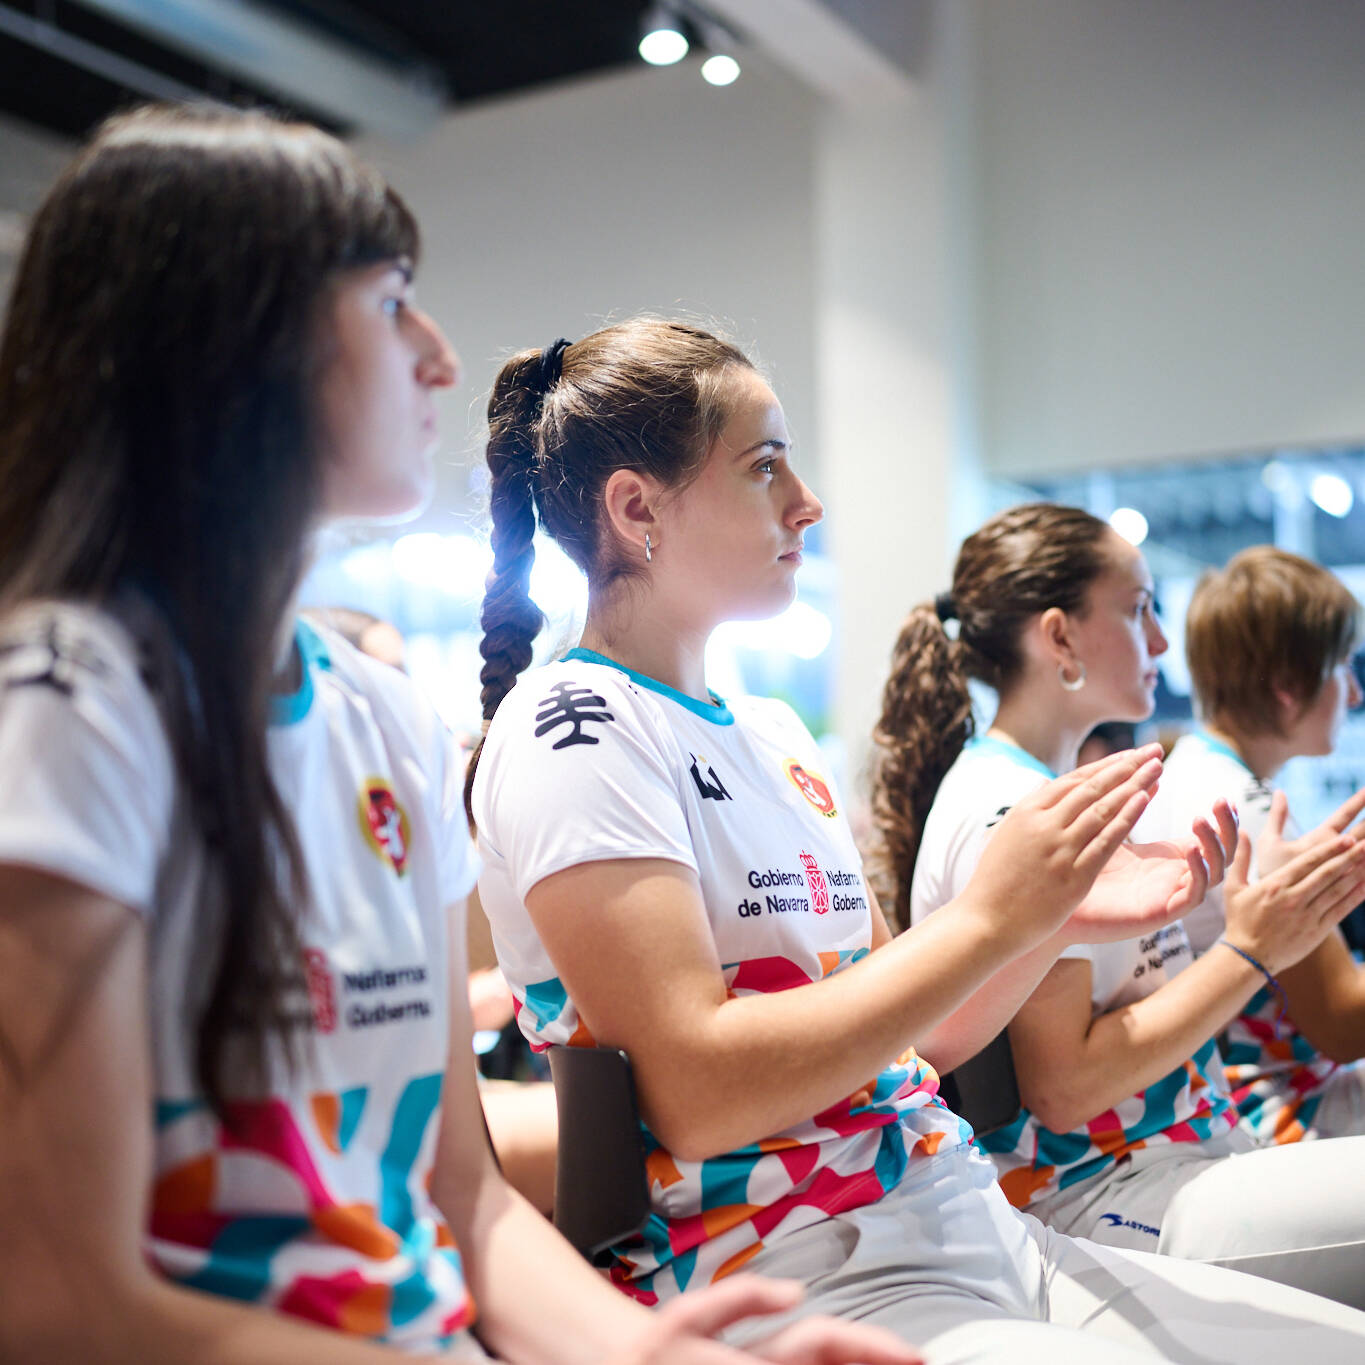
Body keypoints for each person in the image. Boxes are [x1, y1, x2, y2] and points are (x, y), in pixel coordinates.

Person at [0, 105, 922, 1365]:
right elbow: (58, 1296)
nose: (440, 357)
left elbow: (461, 1202)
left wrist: (654, 1355)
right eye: (391, 305)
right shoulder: (70, 703)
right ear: (229, 344)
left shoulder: (383, 718)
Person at [467, 323, 1365, 1361]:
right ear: (637, 511)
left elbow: (911, 1040)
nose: (806, 501)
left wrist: (1042, 922)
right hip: (797, 1268)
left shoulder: (769, 730)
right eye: (765, 467)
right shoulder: (573, 727)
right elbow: (699, 1094)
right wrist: (993, 917)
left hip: (967, 1221)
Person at [878, 503, 1365, 1309]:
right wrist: (1249, 950)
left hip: (1175, 1162)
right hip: (1106, 1191)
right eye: (1138, 609)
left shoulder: (1045, 790)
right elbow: (1064, 1087)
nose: (1162, 643)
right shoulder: (1012, 808)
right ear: (1059, 638)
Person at [1138, 546, 1365, 1143]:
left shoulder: (1196, 772)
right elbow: (1343, 1023)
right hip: (1273, 1109)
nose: (1353, 693)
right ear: (1289, 685)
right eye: (1343, 666)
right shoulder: (1243, 810)